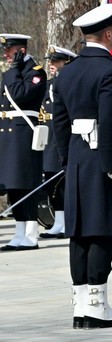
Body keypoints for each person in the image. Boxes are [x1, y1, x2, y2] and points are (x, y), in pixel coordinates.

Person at [51, 3, 112, 328]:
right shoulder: (111, 71)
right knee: (104, 227)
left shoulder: (67, 72)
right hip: (103, 156)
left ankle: (80, 305)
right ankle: (97, 306)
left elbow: (60, 123)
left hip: (76, 159)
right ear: (110, 33)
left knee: (80, 231)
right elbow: (111, 122)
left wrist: (67, 160)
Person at [0, 34, 48, 251]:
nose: (6, 55)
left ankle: (30, 234)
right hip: (8, 135)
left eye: (9, 51)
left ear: (20, 51)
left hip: (23, 134)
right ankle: (20, 232)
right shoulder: (13, 73)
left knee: (26, 183)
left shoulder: (35, 72)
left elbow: (20, 94)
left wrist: (12, 71)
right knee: (13, 185)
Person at [39, 46, 76, 239]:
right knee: (53, 184)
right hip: (50, 138)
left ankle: (67, 221)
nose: (51, 65)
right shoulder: (49, 84)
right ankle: (59, 220)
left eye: (56, 61)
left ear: (67, 62)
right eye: (50, 61)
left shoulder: (68, 83)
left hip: (63, 136)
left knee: (64, 183)